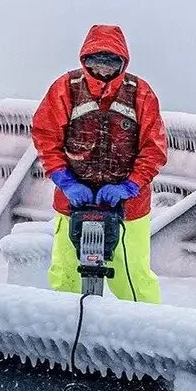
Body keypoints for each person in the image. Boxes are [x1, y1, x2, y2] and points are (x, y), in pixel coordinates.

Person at [30, 24, 167, 302]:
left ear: (122, 62)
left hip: (129, 208)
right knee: (66, 274)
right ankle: (67, 325)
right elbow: (46, 135)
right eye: (96, 61)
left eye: (110, 62)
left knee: (134, 277)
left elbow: (154, 148)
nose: (103, 69)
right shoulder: (65, 88)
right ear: (85, 60)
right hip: (72, 203)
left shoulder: (140, 93)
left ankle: (144, 325)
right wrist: (65, 180)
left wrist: (130, 186)